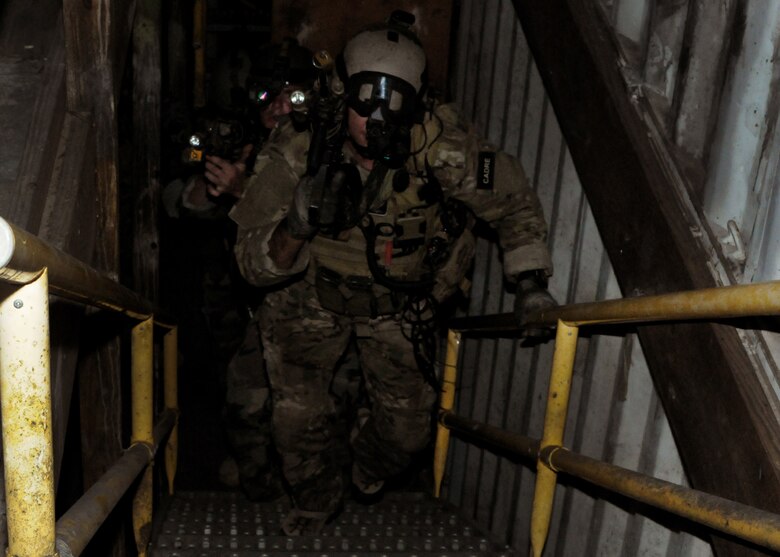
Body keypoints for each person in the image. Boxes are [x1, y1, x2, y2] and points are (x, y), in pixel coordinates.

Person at [229, 10, 556, 535]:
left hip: (399, 306)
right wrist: (295, 225)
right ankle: (316, 500)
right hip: (309, 299)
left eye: (395, 99)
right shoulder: (296, 148)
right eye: (366, 98)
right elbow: (250, 263)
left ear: (417, 101)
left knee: (406, 433)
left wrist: (531, 283)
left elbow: (512, 200)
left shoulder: (446, 149)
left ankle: (363, 469)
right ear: (341, 92)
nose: (377, 116)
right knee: (297, 424)